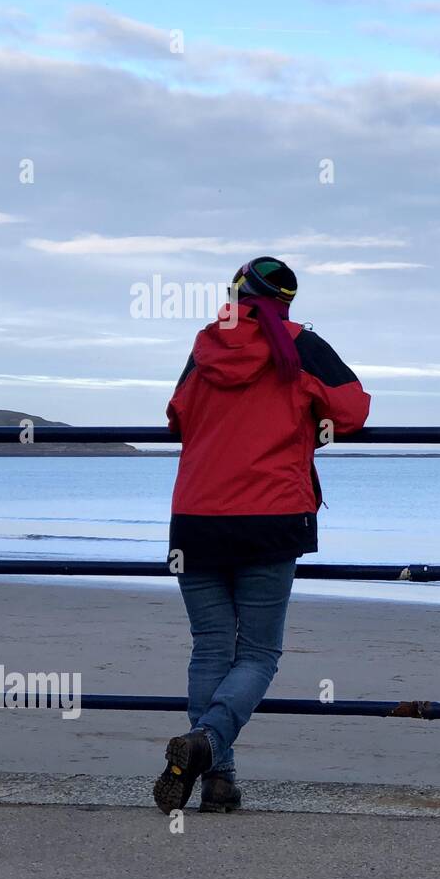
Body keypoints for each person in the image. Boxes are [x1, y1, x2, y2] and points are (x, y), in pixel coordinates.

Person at [153, 257, 370, 814]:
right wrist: (311, 418)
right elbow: (354, 410)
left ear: (236, 293)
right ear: (287, 302)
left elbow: (177, 417)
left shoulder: (204, 349)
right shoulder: (299, 346)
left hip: (196, 518)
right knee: (258, 652)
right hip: (270, 518)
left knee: (210, 649)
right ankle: (208, 743)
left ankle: (217, 782)